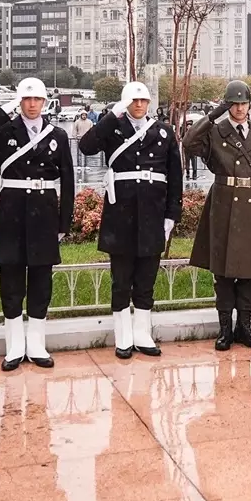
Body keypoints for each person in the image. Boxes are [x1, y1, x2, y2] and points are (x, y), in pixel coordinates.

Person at [0, 77, 75, 371]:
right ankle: (14, 346)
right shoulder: (4, 130)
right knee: (11, 281)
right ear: (19, 101)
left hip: (44, 213)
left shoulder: (58, 136)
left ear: (44, 102)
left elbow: (67, 179)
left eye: (36, 100)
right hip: (11, 212)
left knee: (41, 281)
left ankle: (37, 343)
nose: (31, 105)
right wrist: (2, 112)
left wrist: (64, 221)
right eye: (26, 99)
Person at [78, 81, 182, 359]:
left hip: (152, 213)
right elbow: (86, 147)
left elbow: (175, 176)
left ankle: (142, 333)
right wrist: (112, 114)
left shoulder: (163, 131)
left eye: (143, 101)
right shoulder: (113, 128)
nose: (139, 105)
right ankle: (123, 335)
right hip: (121, 213)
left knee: (146, 278)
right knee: (121, 279)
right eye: (133, 101)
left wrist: (172, 214)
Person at [183, 80, 251, 350]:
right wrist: (212, 115)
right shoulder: (216, 132)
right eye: (233, 103)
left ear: (250, 105)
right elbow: (189, 143)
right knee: (223, 271)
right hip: (223, 205)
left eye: (243, 103)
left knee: (248, 271)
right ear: (227, 105)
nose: (239, 108)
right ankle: (225, 328)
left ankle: (244, 326)